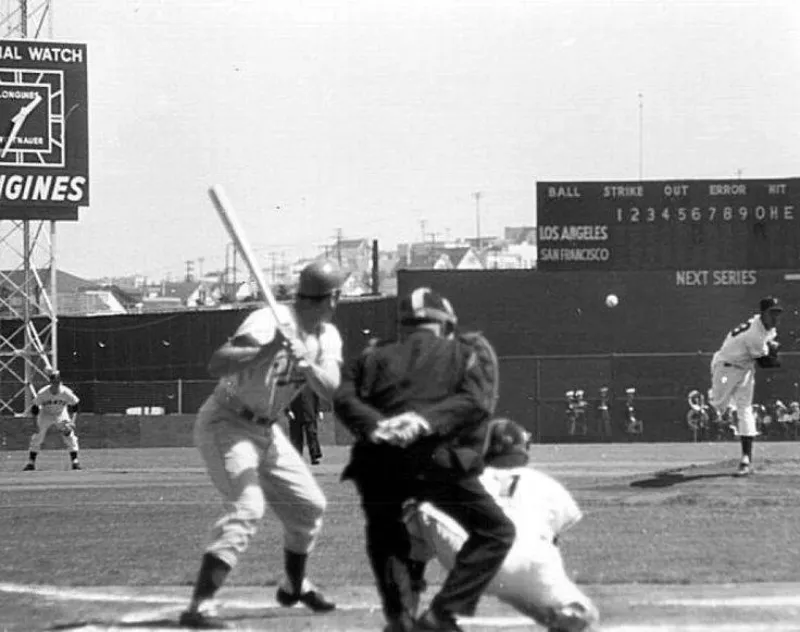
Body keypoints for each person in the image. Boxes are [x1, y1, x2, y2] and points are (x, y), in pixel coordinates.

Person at [334, 286, 515, 632]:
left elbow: (343, 398)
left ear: (403, 324)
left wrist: (378, 425)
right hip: (437, 460)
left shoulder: (372, 355)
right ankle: (441, 614)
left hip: (377, 462)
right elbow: (475, 402)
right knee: (495, 532)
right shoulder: (463, 353)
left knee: (388, 540)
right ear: (445, 323)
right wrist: (423, 422)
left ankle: (401, 621)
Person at [179, 260, 344, 629]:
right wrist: (269, 348)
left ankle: (294, 585)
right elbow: (217, 363)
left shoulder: (326, 336)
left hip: (267, 430)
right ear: (333, 297)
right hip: (227, 422)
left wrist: (307, 363)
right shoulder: (268, 320)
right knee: (247, 506)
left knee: (308, 507)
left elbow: (331, 389)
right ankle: (200, 607)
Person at [404, 418, 600, 632]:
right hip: (532, 564)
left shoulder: (466, 480)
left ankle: (411, 611)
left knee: (420, 511)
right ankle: (567, 615)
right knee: (581, 613)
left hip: (467, 558)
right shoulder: (545, 483)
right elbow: (553, 541)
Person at [709, 296, 783, 477]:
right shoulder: (754, 333)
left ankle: (746, 458)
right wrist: (775, 355)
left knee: (745, 410)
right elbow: (765, 363)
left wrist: (771, 349)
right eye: (772, 313)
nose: (775, 317)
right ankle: (714, 400)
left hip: (745, 369)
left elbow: (765, 351)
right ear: (762, 313)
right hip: (725, 369)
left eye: (777, 313)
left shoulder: (766, 328)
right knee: (718, 405)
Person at [23, 370, 81, 471]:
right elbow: (35, 409)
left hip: (61, 413)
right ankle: (31, 463)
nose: (56, 383)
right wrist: (35, 424)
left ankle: (75, 462)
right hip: (45, 414)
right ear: (50, 382)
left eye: (57, 381)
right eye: (54, 381)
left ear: (60, 381)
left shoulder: (66, 392)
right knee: (38, 436)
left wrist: (72, 422)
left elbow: (75, 406)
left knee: (69, 435)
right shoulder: (43, 393)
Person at [286, 386, 324, 465]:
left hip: (310, 412)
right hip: (295, 414)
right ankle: (297, 458)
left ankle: (314, 457)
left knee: (312, 435)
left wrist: (320, 410)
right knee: (296, 437)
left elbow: (317, 396)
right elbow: (286, 397)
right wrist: (288, 411)